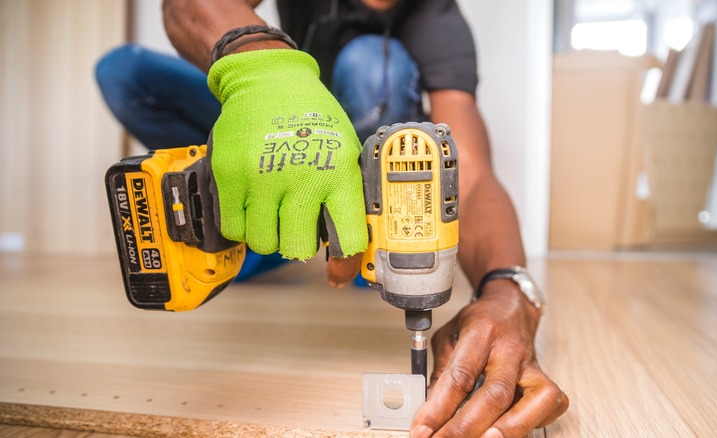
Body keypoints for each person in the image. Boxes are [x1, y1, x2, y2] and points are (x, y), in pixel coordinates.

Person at [95, 0, 569, 435]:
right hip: (282, 124)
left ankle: (355, 239)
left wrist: (508, 289)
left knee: (370, 61)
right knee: (126, 72)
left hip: (361, 166)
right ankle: (256, 219)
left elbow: (473, 176)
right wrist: (264, 66)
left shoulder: (437, 18)